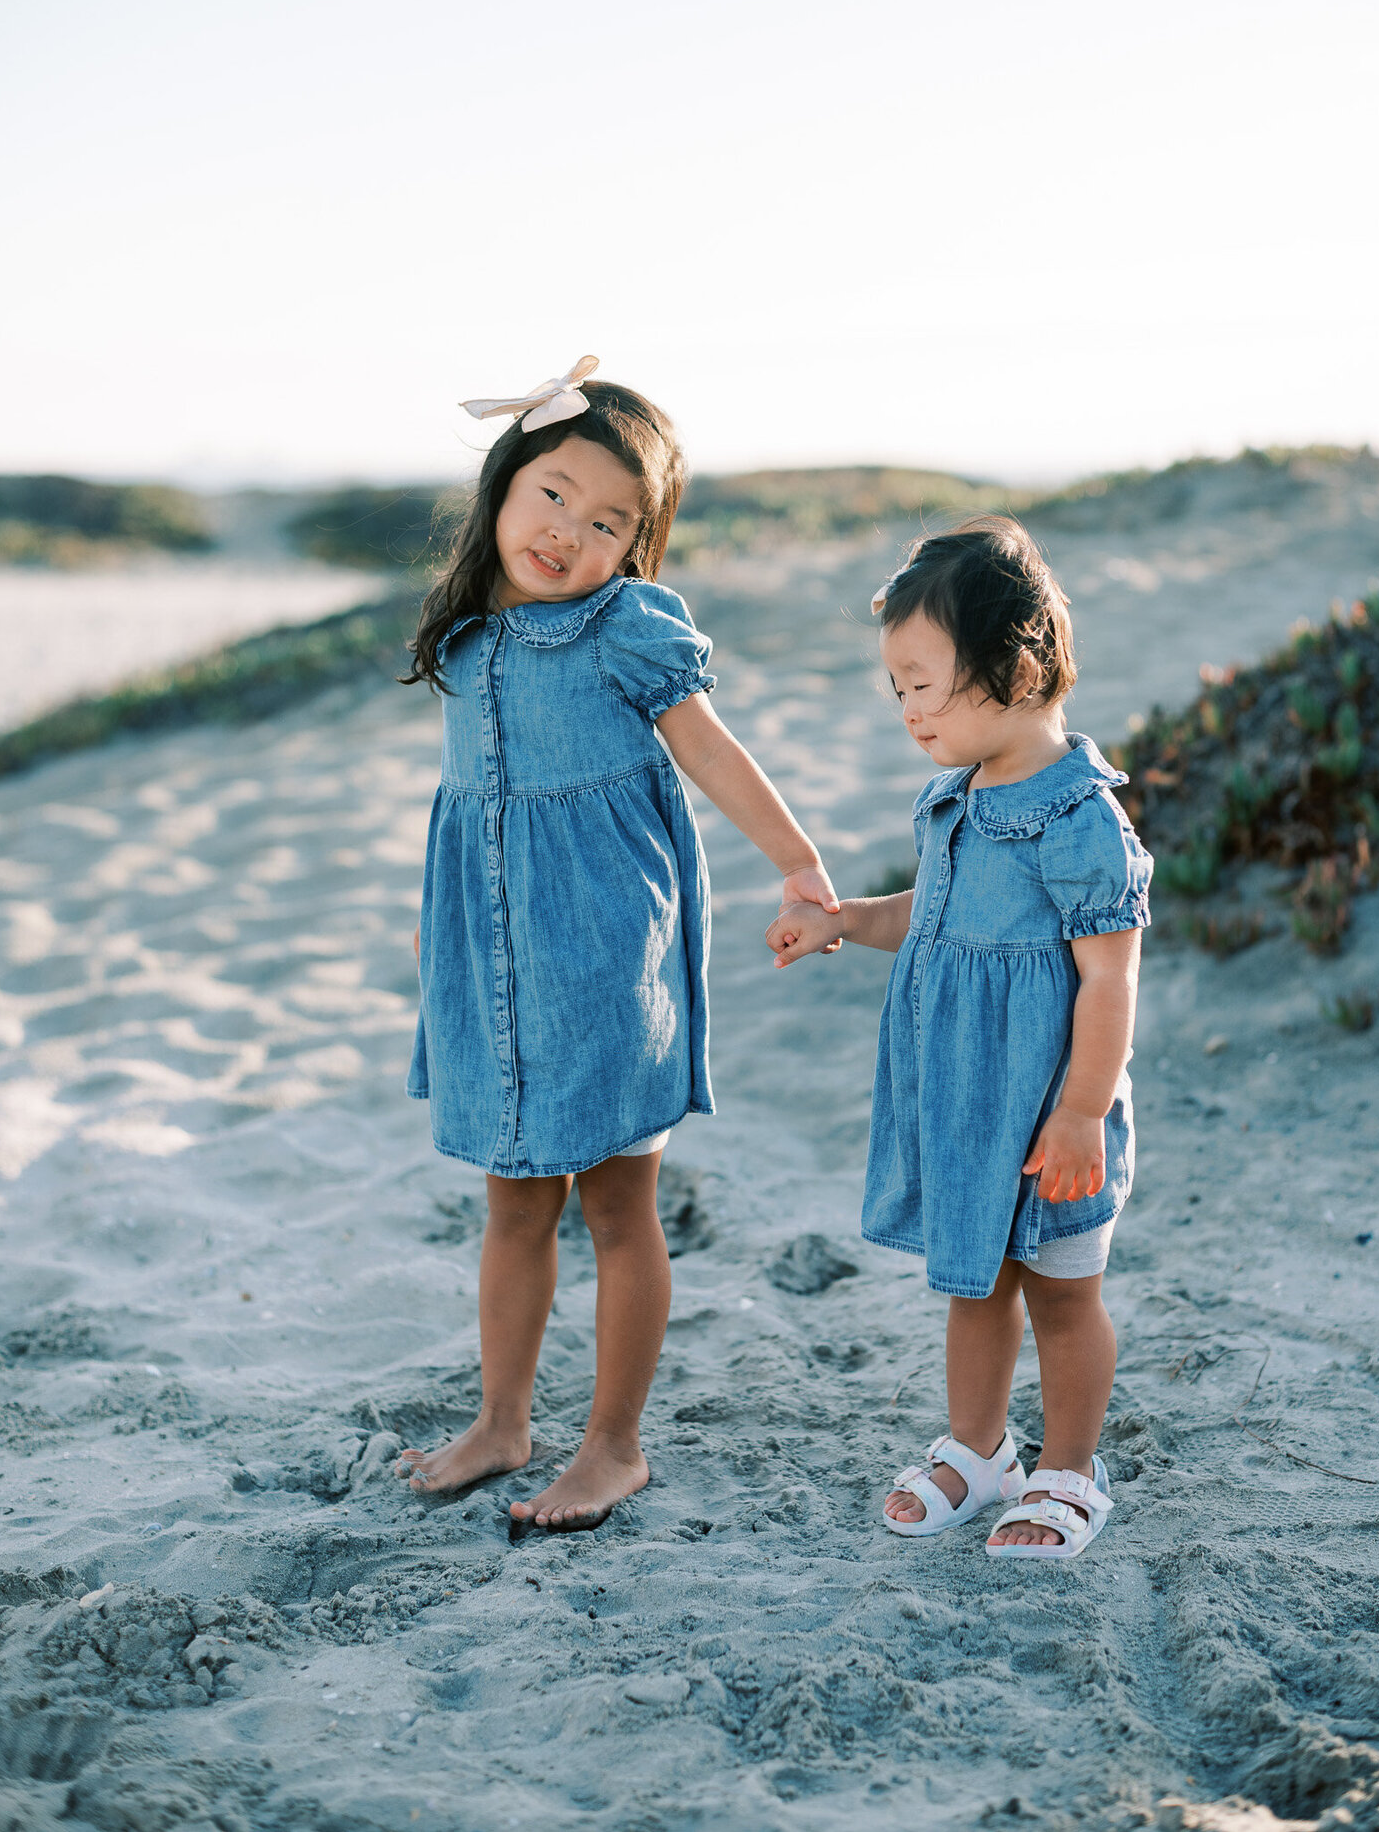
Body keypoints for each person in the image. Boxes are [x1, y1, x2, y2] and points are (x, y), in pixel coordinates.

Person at [397, 358, 838, 1532]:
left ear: (636, 548)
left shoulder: (624, 628)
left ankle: (613, 1445)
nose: (567, 532)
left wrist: (795, 860)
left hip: (600, 945)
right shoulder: (470, 634)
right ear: (505, 481)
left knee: (616, 1204)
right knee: (512, 1202)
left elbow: (711, 751)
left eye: (608, 523)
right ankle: (503, 1422)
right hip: (489, 956)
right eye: (552, 494)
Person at [765, 518, 1151, 1557]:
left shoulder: (1078, 821)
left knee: (1065, 1300)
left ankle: (1069, 1470)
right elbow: (926, 916)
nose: (905, 710)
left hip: (1052, 1110)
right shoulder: (955, 800)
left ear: (1013, 669)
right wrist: (847, 920)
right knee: (972, 1285)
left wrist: (1080, 1112)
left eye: (921, 683)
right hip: (967, 1107)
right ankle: (981, 1451)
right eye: (896, 687)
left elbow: (1109, 974)